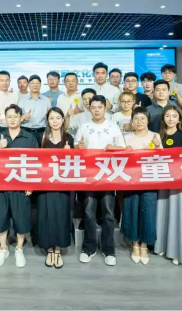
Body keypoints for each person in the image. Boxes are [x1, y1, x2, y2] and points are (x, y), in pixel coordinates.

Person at [75, 95, 125, 266]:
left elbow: (123, 149)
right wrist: (78, 147)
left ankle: (108, 249)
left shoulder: (113, 127)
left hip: (108, 176)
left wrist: (114, 148)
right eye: (93, 107)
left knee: (108, 214)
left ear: (105, 108)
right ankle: (88, 248)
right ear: (89, 109)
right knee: (89, 212)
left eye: (99, 107)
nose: (96, 110)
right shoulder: (84, 127)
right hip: (89, 176)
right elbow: (76, 147)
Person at [0, 104, 38, 268]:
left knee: (21, 217)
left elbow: (36, 162)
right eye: (9, 117)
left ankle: (19, 248)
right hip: (1, 185)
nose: (12, 120)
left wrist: (30, 183)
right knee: (1, 216)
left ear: (21, 118)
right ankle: (3, 248)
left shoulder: (29, 138)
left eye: (15, 116)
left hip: (21, 185)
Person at [154, 106, 182, 265]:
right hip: (163, 180)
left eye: (174, 116)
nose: (170, 119)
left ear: (179, 119)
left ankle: (178, 250)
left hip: (180, 181)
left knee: (178, 213)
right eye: (167, 116)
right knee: (163, 212)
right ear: (163, 118)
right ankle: (162, 246)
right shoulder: (158, 135)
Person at [121, 107, 162, 265]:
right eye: (136, 119)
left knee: (148, 210)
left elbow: (164, 158)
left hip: (150, 180)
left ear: (148, 120)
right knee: (131, 209)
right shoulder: (126, 137)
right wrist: (125, 152)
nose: (139, 122)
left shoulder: (155, 136)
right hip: (131, 180)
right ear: (132, 121)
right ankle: (134, 244)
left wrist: (158, 146)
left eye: (143, 118)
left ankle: (144, 244)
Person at [37, 107, 73, 269]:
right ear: (48, 120)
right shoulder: (42, 137)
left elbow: (76, 164)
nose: (55, 121)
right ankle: (49, 249)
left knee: (60, 215)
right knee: (45, 215)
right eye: (52, 118)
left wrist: (70, 153)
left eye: (58, 118)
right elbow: (35, 161)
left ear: (63, 119)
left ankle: (57, 249)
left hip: (62, 184)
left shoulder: (68, 138)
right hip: (44, 184)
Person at [19, 75, 52, 146]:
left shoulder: (46, 100)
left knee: (41, 152)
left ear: (40, 85)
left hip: (42, 132)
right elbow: (18, 118)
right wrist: (23, 117)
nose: (35, 85)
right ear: (29, 85)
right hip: (26, 131)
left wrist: (48, 116)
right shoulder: (22, 100)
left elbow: (50, 117)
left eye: (37, 83)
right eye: (32, 83)